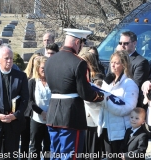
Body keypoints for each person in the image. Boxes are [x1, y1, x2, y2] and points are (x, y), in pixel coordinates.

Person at [44, 28, 104, 160]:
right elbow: (85, 93)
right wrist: (101, 96)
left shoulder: (50, 60)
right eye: (82, 44)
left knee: (55, 154)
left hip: (53, 114)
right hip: (71, 116)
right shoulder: (79, 63)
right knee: (70, 156)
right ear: (77, 42)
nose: (81, 48)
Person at [0, 44, 29, 160]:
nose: (9, 61)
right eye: (6, 58)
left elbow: (25, 99)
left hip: (13, 124)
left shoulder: (21, 76)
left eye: (11, 58)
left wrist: (14, 116)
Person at [98, 50, 139, 160]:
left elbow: (127, 109)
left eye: (116, 62)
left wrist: (105, 102)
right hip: (106, 128)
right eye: (111, 62)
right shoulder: (108, 82)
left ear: (124, 65)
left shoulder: (130, 84)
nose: (112, 65)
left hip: (121, 132)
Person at [78, 51, 104, 160]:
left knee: (93, 151)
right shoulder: (81, 76)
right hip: (82, 119)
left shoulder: (98, 78)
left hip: (94, 119)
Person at [117, 31, 149, 108]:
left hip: (129, 103)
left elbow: (135, 86)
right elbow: (109, 78)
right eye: (120, 43)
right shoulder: (116, 59)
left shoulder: (141, 62)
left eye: (125, 43)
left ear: (134, 43)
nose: (122, 46)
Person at [28, 56, 51, 160]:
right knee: (35, 147)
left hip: (50, 120)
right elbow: (30, 101)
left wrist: (49, 113)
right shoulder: (32, 82)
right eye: (42, 68)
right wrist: (42, 112)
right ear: (38, 68)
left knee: (48, 148)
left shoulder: (53, 82)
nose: (45, 70)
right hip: (37, 120)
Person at [21, 53, 41, 160]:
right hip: (26, 113)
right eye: (35, 60)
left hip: (37, 113)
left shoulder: (42, 78)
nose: (37, 62)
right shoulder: (25, 76)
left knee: (35, 142)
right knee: (25, 140)